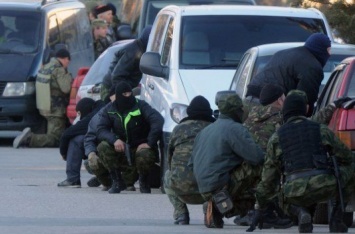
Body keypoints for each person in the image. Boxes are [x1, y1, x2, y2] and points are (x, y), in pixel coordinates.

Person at [255, 92, 355, 233]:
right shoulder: (320, 129)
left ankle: (301, 212)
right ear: (305, 109)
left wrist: (259, 207)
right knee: (352, 166)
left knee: (276, 189)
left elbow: (268, 179)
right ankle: (336, 219)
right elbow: (347, 156)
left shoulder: (277, 137)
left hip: (294, 192)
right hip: (325, 187)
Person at [189, 93, 264, 228]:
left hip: (203, 187)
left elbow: (191, 163)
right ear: (235, 110)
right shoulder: (235, 129)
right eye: (241, 109)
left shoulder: (205, 131)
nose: (243, 112)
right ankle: (258, 209)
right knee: (260, 167)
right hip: (220, 185)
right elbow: (257, 157)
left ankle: (215, 207)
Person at [96, 81, 164, 194]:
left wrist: (149, 142)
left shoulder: (141, 105)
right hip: (120, 148)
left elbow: (157, 120)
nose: (128, 96)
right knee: (102, 147)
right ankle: (116, 180)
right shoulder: (109, 109)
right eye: (124, 94)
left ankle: (144, 181)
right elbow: (101, 129)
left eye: (129, 93)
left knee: (145, 154)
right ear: (118, 95)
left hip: (139, 148)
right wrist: (114, 140)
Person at [246, 33, 331, 116]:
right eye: (329, 50)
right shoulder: (313, 66)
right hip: (272, 105)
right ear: (323, 50)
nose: (329, 54)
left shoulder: (282, 53)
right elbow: (304, 100)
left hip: (250, 99)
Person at [164, 95, 216, 225]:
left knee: (167, 175)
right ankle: (209, 211)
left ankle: (181, 214)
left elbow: (170, 160)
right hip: (208, 190)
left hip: (182, 188)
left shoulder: (178, 129)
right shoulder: (215, 129)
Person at [13, 49, 72, 148]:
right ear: (65, 59)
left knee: (52, 134)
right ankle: (30, 139)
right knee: (56, 139)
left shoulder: (45, 67)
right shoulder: (59, 69)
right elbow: (66, 88)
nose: (68, 64)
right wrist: (68, 76)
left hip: (44, 107)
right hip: (55, 110)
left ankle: (32, 137)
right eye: (68, 61)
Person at [84, 86, 137, 191]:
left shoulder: (138, 109)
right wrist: (91, 153)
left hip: (130, 155)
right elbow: (89, 138)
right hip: (110, 156)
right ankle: (109, 181)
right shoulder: (100, 116)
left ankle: (127, 181)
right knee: (90, 162)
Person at [57, 98, 104, 188]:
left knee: (76, 140)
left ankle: (72, 179)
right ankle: (103, 176)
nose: (79, 116)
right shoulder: (103, 107)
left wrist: (63, 153)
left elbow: (67, 134)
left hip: (115, 148)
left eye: (79, 113)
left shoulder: (92, 117)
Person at [100, 26, 152, 100]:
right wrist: (124, 94)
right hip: (110, 89)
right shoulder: (134, 52)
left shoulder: (140, 49)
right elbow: (117, 76)